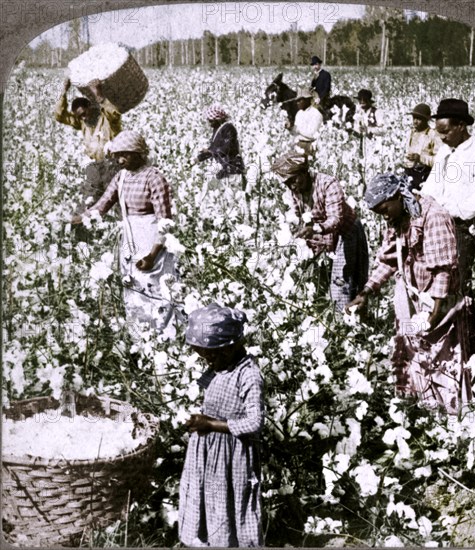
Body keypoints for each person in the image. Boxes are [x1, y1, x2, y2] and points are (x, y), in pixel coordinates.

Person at [346, 173, 473, 414]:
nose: (384, 216)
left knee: (440, 355)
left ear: (397, 196)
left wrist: (433, 315)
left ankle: (449, 415)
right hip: (413, 294)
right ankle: (420, 408)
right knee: (411, 349)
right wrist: (366, 291)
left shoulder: (433, 216)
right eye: (378, 213)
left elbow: (443, 270)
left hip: (439, 300)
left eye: (385, 209)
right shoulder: (397, 218)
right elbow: (389, 260)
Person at [72, 130, 179, 331]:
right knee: (133, 289)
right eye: (117, 155)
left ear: (139, 153)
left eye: (125, 155)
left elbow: (165, 221)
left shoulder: (154, 178)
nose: (120, 160)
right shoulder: (121, 178)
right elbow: (101, 206)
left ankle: (163, 341)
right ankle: (139, 341)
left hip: (152, 241)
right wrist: (76, 220)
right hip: (131, 240)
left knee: (155, 290)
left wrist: (152, 255)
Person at [178, 303, 264, 548]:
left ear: (231, 346)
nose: (208, 360)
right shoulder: (219, 368)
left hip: (232, 457)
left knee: (230, 500)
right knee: (208, 499)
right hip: (207, 454)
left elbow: (255, 422)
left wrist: (211, 424)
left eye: (212, 355)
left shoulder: (248, 375)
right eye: (203, 356)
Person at [271, 152, 369, 310]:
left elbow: (336, 219)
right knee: (318, 279)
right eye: (288, 183)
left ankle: (345, 322)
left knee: (341, 281)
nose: (292, 186)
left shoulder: (328, 184)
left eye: (294, 179)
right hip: (319, 236)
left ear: (304, 172)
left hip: (346, 232)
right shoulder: (294, 192)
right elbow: (298, 218)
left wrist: (314, 229)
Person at [421, 98, 475, 297]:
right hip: (436, 227)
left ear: (461, 126)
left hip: (462, 230)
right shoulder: (444, 152)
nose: (442, 137)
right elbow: (431, 188)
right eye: (439, 132)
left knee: (460, 287)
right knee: (436, 286)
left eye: (445, 131)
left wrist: (440, 208)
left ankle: (464, 328)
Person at [55, 77, 122, 211]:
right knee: (88, 203)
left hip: (113, 166)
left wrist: (99, 95)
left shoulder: (106, 118)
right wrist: (64, 91)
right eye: (79, 116)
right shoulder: (82, 122)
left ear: (90, 107)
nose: (83, 118)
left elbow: (115, 113)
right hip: (94, 167)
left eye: (84, 113)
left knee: (117, 203)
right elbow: (59, 115)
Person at [197, 103, 245, 182]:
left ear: (218, 119)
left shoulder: (229, 128)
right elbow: (213, 149)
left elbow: (227, 148)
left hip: (233, 170)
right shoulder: (217, 130)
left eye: (211, 120)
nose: (209, 123)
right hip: (224, 170)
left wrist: (211, 151)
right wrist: (198, 159)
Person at [403, 103, 441, 190]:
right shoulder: (411, 133)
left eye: (419, 119)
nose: (415, 121)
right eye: (414, 118)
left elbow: (439, 161)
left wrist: (420, 158)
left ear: (426, 120)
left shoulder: (433, 135)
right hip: (409, 173)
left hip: (425, 176)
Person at [287, 87, 324, 155]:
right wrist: (291, 128)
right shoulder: (299, 114)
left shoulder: (316, 114)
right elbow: (296, 133)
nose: (297, 103)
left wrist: (296, 129)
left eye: (300, 100)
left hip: (309, 147)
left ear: (307, 100)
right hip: (298, 144)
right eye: (297, 101)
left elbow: (313, 135)